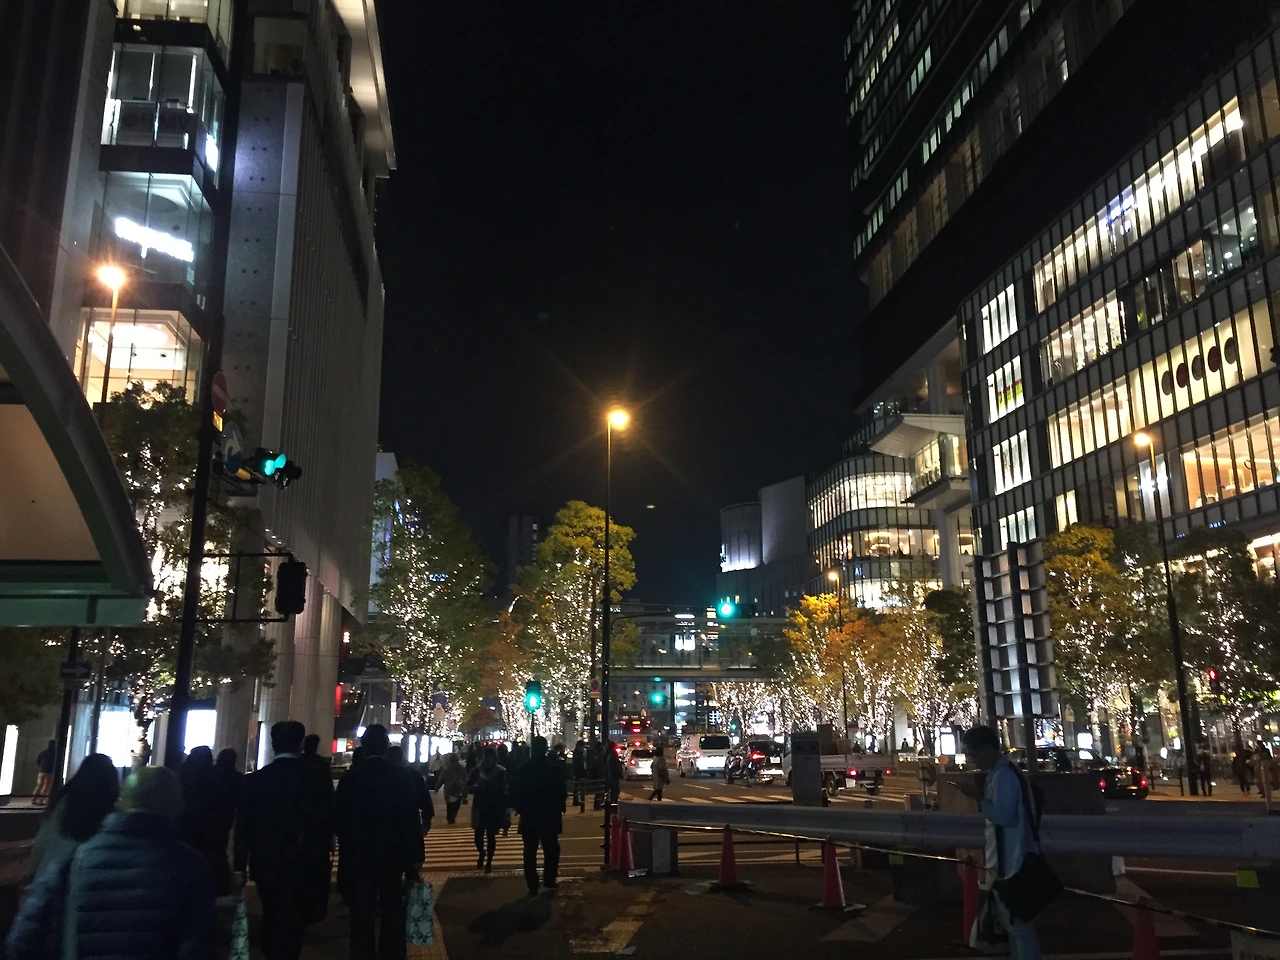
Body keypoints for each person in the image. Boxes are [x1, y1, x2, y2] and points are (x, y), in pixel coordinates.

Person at [7, 766, 216, 960]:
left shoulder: (72, 861)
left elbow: (23, 940)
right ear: (177, 806)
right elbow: (197, 947)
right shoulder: (191, 868)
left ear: (121, 801)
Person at [234, 722, 334, 960]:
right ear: (300, 744)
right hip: (303, 859)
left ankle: (271, 950)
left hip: (265, 860)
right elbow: (325, 821)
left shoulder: (255, 781)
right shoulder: (315, 778)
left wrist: (239, 864)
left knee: (271, 910)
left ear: (273, 744)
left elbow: (244, 826)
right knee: (294, 919)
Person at [335, 725, 424, 960]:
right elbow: (410, 819)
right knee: (392, 908)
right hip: (392, 855)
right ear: (386, 747)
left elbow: (339, 820)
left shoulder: (350, 779)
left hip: (359, 855)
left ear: (363, 749)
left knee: (361, 913)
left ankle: (362, 953)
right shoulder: (401, 778)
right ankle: (390, 952)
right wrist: (415, 858)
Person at [958, 725, 1042, 960]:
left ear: (988, 749)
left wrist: (978, 798)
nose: (973, 760)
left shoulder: (1004, 776)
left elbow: (1002, 816)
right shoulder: (1003, 773)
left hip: (1013, 863)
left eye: (974, 754)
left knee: (1019, 928)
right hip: (1012, 861)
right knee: (1015, 927)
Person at [29, 753, 118, 877]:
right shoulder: (102, 809)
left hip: (44, 872)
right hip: (68, 876)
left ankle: (35, 799)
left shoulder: (63, 800)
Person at [178, 746, 236, 895]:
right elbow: (226, 823)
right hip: (213, 856)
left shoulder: (179, 790)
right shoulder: (220, 791)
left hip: (182, 856)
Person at [512, 736, 567, 895]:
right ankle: (549, 879)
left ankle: (532, 883)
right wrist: (560, 806)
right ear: (545, 749)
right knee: (551, 849)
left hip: (530, 814)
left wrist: (519, 807)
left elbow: (516, 791)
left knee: (530, 850)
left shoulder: (523, 769)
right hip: (549, 813)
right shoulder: (554, 769)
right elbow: (561, 791)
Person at [467, 747, 508, 872]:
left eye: (489, 757)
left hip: (494, 807)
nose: (487, 760)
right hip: (479, 806)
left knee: (491, 836)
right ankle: (481, 853)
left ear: (494, 758)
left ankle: (489, 861)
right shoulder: (476, 771)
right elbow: (467, 787)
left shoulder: (501, 771)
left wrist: (505, 807)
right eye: (485, 757)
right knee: (478, 836)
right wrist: (475, 787)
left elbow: (505, 789)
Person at [440, 753, 467, 824]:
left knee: (449, 805)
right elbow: (465, 779)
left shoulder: (446, 769)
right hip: (459, 789)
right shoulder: (462, 768)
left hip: (448, 790)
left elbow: (441, 779)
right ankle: (453, 815)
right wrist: (466, 789)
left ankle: (450, 816)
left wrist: (437, 787)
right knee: (457, 804)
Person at [32, 739, 55, 806]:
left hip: (41, 772)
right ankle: (40, 801)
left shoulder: (42, 752)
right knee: (46, 787)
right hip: (49, 772)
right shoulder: (55, 753)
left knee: (38, 786)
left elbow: (38, 761)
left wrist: (42, 767)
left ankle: (33, 799)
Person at [571, 740, 587, 810]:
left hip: (579, 771)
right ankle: (576, 800)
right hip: (578, 771)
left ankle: (577, 799)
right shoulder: (577, 753)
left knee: (578, 786)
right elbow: (578, 763)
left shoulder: (578, 753)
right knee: (577, 786)